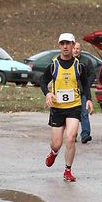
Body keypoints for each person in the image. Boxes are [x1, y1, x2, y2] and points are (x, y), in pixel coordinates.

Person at [40, 33, 94, 182]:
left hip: (74, 106)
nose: (65, 46)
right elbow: (43, 81)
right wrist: (48, 93)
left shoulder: (79, 66)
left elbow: (86, 84)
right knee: (57, 143)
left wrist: (89, 100)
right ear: (59, 46)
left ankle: (67, 171)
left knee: (70, 138)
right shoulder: (53, 65)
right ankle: (53, 152)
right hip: (57, 108)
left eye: (68, 43)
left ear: (73, 45)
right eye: (62, 43)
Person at [73, 42, 96, 144]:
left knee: (84, 114)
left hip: (82, 92)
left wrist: (86, 84)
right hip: (70, 93)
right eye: (74, 48)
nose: (75, 50)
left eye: (78, 48)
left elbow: (92, 74)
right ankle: (72, 134)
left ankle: (85, 135)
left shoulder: (86, 61)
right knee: (72, 115)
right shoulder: (67, 61)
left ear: (80, 50)